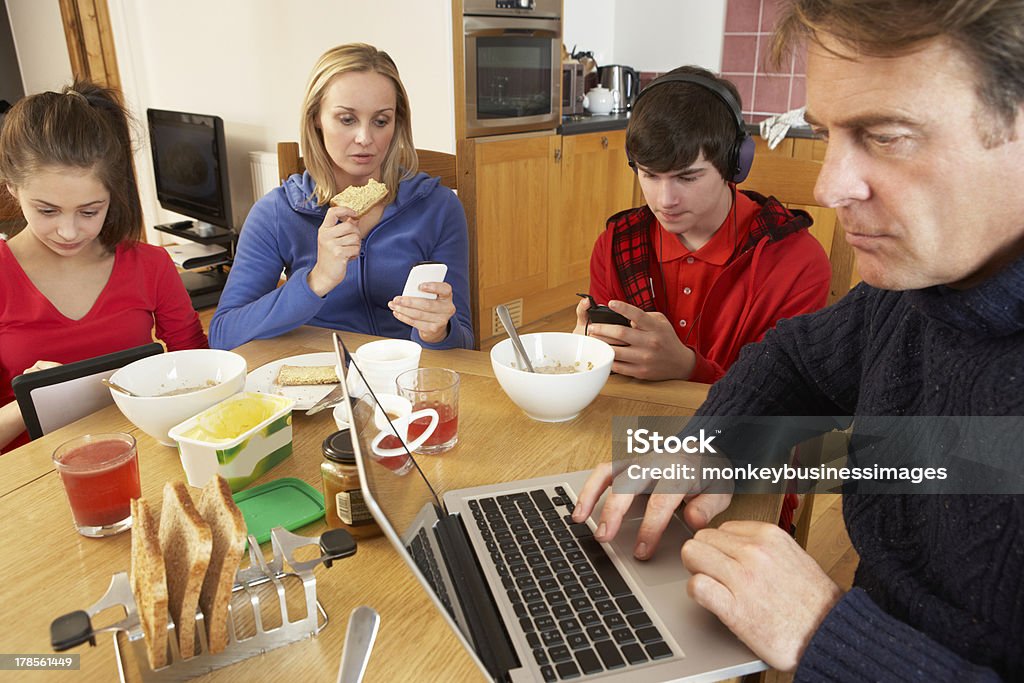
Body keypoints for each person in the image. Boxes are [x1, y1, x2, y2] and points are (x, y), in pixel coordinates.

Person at [572, 0, 1024, 679]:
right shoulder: (907, 294)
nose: (828, 186)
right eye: (829, 134)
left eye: (888, 134)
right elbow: (796, 360)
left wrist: (826, 630)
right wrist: (707, 443)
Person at [574, 65, 831, 383]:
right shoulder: (616, 245)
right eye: (650, 175)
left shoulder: (797, 263)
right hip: (634, 427)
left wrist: (688, 369)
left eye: (688, 177)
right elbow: (611, 380)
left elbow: (786, 398)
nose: (665, 200)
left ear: (735, 164)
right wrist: (588, 354)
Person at [209, 44, 473, 351]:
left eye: (381, 121)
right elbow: (223, 335)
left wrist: (437, 331)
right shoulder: (276, 213)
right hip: (320, 384)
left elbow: (463, 341)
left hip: (409, 381)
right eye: (347, 119)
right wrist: (317, 280)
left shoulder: (439, 207)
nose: (365, 138)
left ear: (397, 123)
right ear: (316, 118)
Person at [0, 82, 208, 453]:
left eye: (89, 211)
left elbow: (199, 373)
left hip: (142, 453)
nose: (68, 232)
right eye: (47, 210)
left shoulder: (150, 265)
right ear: (13, 188)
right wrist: (28, 402)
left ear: (113, 193)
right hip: (28, 480)